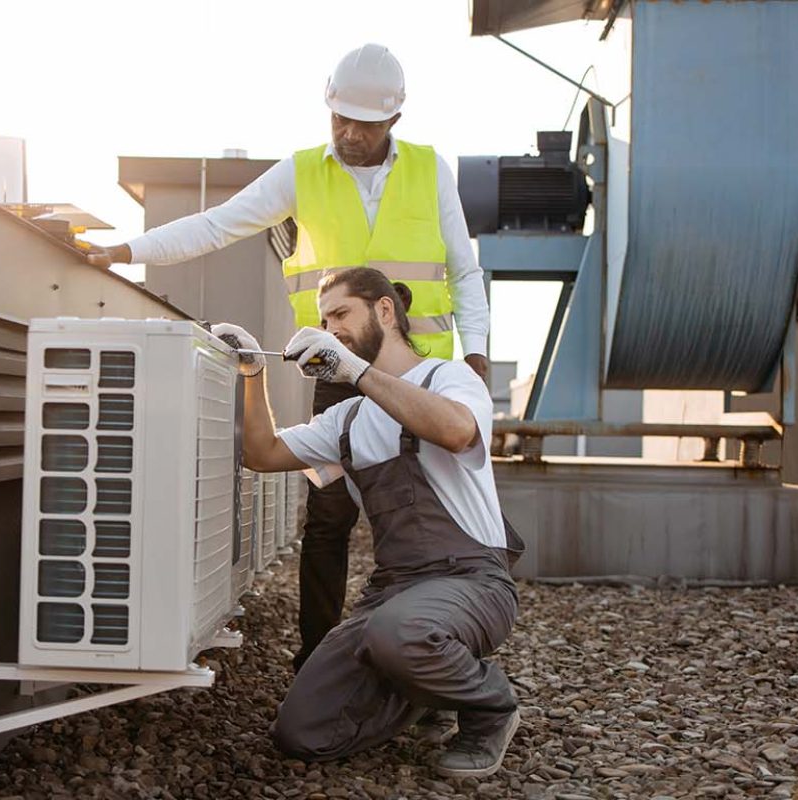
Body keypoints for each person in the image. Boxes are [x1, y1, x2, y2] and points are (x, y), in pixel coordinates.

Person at [88, 43, 492, 673]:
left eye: (363, 123)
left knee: (428, 519)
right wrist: (124, 250)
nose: (349, 133)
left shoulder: (429, 169)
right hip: (337, 377)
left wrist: (477, 357)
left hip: (420, 376)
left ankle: (439, 657)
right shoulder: (303, 171)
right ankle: (317, 658)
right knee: (328, 515)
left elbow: (465, 271)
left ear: (393, 122)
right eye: (339, 119)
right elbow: (219, 225)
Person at [211, 267, 523, 778]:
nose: (330, 328)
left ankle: (490, 708)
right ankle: (425, 686)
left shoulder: (448, 377)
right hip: (393, 591)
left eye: (340, 314)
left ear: (383, 311)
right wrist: (251, 374)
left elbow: (456, 430)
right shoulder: (349, 417)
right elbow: (263, 453)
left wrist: (356, 370)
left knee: (399, 633)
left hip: (472, 581)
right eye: (323, 319)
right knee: (302, 732)